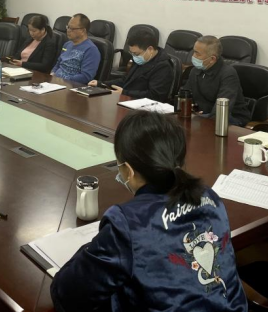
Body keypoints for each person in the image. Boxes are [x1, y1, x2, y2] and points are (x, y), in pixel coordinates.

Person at [51, 111, 247, 312]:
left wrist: (97, 246)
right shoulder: (209, 196)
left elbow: (68, 294)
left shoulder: (127, 223)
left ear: (128, 170)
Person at [186, 35, 251, 126]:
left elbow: (221, 109)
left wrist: (198, 119)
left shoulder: (228, 74)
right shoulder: (195, 70)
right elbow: (186, 94)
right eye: (194, 52)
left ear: (212, 59)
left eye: (197, 54)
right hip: (204, 114)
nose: (193, 56)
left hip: (231, 117)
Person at [91, 31, 173, 102]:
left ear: (150, 49)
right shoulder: (142, 58)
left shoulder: (163, 67)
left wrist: (124, 92)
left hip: (144, 108)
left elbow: (155, 96)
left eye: (136, 53)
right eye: (132, 53)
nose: (134, 57)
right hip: (128, 100)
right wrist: (102, 84)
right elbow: (126, 80)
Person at [51, 14, 101, 84]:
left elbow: (86, 77)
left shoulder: (91, 50)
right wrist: (52, 74)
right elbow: (58, 64)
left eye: (72, 28)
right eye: (68, 27)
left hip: (72, 85)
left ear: (83, 31)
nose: (68, 30)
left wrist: (63, 80)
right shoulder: (67, 44)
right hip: (56, 82)